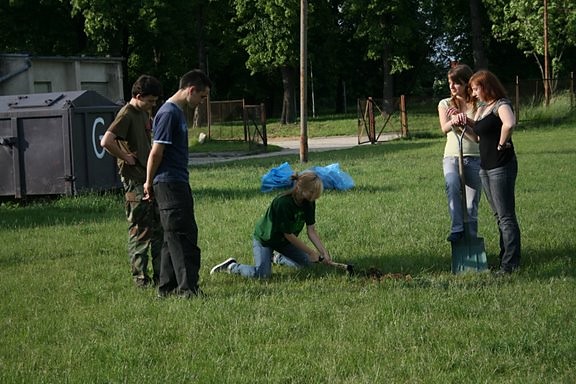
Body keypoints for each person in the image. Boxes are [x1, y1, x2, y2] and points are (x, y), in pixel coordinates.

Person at [143, 69, 212, 298]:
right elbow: (156, 153)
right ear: (191, 90)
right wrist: (148, 182)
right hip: (170, 183)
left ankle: (167, 287)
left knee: (171, 236)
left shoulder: (176, 113)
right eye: (201, 97)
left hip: (175, 181)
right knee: (184, 236)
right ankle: (188, 290)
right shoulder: (169, 113)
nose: (201, 102)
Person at [101, 74, 163, 287]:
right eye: (150, 101)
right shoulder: (127, 113)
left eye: (155, 101)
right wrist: (125, 156)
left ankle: (160, 276)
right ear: (138, 96)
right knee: (140, 231)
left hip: (147, 179)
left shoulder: (143, 113)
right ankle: (140, 279)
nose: (153, 105)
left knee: (158, 230)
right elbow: (106, 141)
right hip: (134, 182)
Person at [210, 171, 332, 279]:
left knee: (309, 265)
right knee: (262, 275)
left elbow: (311, 230)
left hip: (284, 243)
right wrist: (311, 252)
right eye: (312, 192)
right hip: (266, 240)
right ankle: (232, 266)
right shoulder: (282, 203)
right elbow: (288, 235)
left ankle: (277, 258)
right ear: (300, 187)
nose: (314, 197)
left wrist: (323, 252)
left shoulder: (309, 202)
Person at [463, 69, 521, 274]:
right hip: (485, 168)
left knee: (506, 217)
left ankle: (510, 265)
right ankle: (505, 258)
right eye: (472, 89)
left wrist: (502, 143)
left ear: (487, 87)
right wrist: (461, 124)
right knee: (499, 216)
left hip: (501, 166)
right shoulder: (482, 109)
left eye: (476, 88)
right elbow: (477, 137)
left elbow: (510, 123)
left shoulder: (501, 104)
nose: (474, 92)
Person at [437, 64, 482, 242]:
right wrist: (454, 120)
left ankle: (471, 238)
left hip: (475, 157)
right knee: (452, 186)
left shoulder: (478, 104)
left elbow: (477, 136)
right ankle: (456, 230)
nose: (452, 87)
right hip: (452, 157)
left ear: (466, 83)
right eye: (450, 83)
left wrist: (465, 122)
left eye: (456, 83)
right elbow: (444, 128)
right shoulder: (445, 104)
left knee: (472, 202)